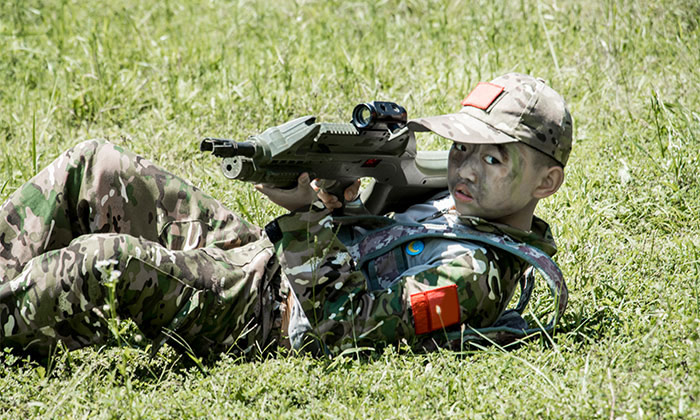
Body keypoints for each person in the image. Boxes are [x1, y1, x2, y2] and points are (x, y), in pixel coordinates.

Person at [0, 73, 572, 358]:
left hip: (266, 316)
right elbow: (369, 223)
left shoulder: (472, 279)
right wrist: (315, 195)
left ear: (547, 182)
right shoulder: (464, 198)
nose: (465, 168)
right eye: (460, 147)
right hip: (268, 260)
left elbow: (340, 326)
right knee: (98, 167)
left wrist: (309, 216)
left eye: (493, 157)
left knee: (103, 263)